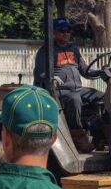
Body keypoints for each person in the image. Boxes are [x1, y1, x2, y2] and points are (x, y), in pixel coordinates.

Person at [33, 17, 102, 153]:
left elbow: (85, 71)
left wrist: (102, 72)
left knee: (99, 97)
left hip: (77, 88)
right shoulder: (46, 50)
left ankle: (102, 134)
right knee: (74, 99)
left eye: (68, 30)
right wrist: (51, 77)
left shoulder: (73, 49)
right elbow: (39, 72)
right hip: (58, 90)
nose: (66, 33)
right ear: (54, 32)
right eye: (62, 31)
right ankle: (77, 135)